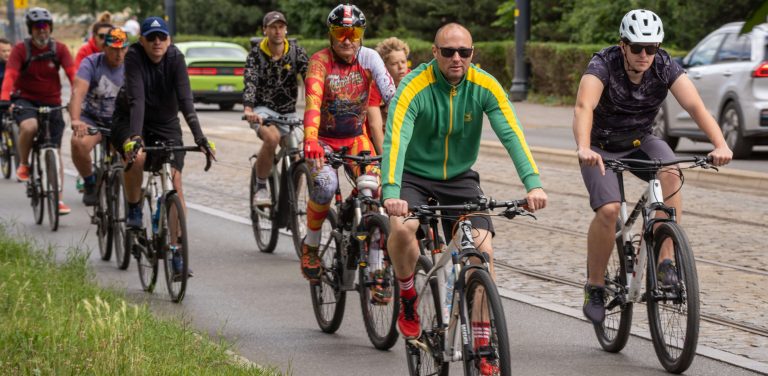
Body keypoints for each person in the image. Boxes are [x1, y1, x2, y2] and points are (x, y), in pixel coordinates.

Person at [381, 23, 547, 373]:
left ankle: (484, 343)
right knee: (401, 229)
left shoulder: (484, 85)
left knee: (482, 252)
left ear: (473, 54)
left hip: (459, 179)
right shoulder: (414, 86)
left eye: (464, 52)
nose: (457, 58)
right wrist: (392, 194)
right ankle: (408, 294)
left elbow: (512, 133)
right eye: (448, 52)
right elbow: (395, 140)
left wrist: (533, 184)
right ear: (434, 53)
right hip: (413, 177)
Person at [574, 9, 733, 324]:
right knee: (609, 210)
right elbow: (584, 106)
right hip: (599, 148)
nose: (645, 54)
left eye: (652, 47)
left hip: (639, 140)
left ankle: (666, 263)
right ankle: (594, 285)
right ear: (623, 46)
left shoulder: (664, 66)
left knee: (671, 171)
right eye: (637, 48)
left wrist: (721, 144)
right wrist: (582, 147)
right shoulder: (603, 65)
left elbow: (695, 106)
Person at [300, 3, 396, 290]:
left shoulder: (370, 58)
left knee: (376, 191)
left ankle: (378, 268)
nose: (348, 40)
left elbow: (391, 93)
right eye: (341, 32)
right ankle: (312, 246)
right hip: (324, 141)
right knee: (326, 185)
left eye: (354, 33)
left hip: (356, 138)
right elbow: (313, 102)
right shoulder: (320, 62)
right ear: (331, 34)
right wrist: (309, 140)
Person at [111, 17, 215, 249]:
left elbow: (186, 101)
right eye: (151, 38)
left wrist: (200, 138)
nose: (157, 42)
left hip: (165, 122)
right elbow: (137, 101)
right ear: (142, 40)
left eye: (162, 37)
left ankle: (176, 248)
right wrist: (136, 138)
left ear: (169, 39)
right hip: (130, 119)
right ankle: (135, 206)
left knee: (176, 183)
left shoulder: (176, 58)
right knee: (137, 157)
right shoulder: (134, 56)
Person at [0, 7, 76, 214]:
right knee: (29, 126)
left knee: (56, 150)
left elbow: (73, 75)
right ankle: (24, 163)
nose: (42, 31)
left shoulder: (59, 49)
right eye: (37, 27)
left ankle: (58, 199)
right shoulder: (20, 49)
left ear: (50, 28)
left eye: (45, 26)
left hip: (53, 102)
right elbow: (10, 75)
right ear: (30, 29)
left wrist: (78, 98)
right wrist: (5, 98)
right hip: (26, 100)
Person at [243, 10, 309, 206]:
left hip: (288, 112)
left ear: (286, 30)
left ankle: (291, 206)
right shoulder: (255, 54)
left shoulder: (297, 52)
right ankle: (261, 186)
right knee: (271, 139)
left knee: (296, 155)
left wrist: (319, 105)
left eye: (281, 27)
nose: (277, 31)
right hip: (263, 110)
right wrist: (248, 109)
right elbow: (250, 82)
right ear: (265, 30)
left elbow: (310, 79)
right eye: (273, 27)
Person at [69, 28, 128, 206]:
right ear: (104, 48)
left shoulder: (133, 65)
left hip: (120, 121)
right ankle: (89, 181)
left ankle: (131, 197)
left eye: (122, 49)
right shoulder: (92, 63)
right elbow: (78, 93)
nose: (118, 54)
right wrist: (76, 120)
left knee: (134, 155)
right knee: (78, 142)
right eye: (113, 49)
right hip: (92, 119)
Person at [375, 37, 410, 130]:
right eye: (394, 63)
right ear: (384, 66)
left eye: (403, 62)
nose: (401, 67)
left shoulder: (415, 81)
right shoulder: (376, 86)